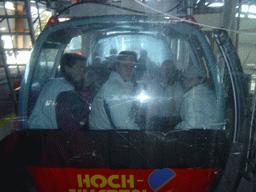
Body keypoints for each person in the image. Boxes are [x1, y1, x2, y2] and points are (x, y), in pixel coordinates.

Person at [28, 53, 87, 129]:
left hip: (37, 129)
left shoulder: (53, 82)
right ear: (68, 68)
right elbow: (67, 124)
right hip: (50, 134)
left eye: (84, 68)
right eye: (80, 67)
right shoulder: (67, 92)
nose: (83, 72)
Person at [89, 51, 140, 130]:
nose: (129, 70)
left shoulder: (123, 84)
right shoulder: (116, 89)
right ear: (117, 67)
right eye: (125, 66)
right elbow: (125, 126)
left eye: (132, 66)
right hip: (105, 138)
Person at [175, 65, 218, 129]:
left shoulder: (192, 99)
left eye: (191, 79)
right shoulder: (208, 93)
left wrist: (176, 128)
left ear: (201, 80)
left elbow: (192, 126)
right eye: (186, 78)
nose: (187, 81)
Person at [146, 60, 184, 130]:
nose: (167, 71)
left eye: (170, 69)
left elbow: (179, 109)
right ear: (160, 69)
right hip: (153, 122)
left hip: (171, 122)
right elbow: (148, 106)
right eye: (165, 68)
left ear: (173, 72)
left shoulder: (177, 88)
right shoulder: (152, 85)